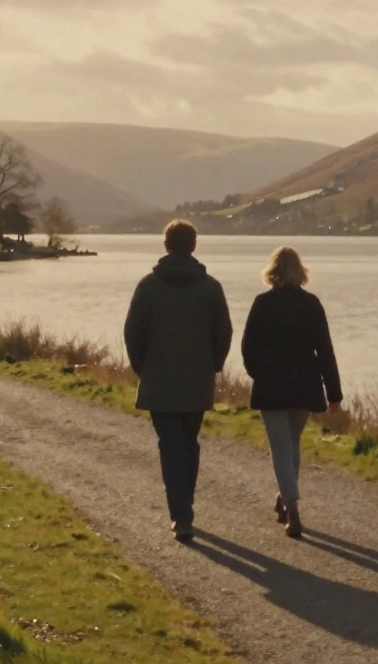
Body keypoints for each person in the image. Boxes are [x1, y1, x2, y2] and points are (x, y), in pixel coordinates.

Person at [124, 220, 233, 542]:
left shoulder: (148, 286)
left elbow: (133, 333)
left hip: (159, 380)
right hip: (196, 380)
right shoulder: (211, 287)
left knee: (169, 446)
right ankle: (185, 510)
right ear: (193, 246)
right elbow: (223, 332)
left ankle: (181, 515)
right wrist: (213, 365)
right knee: (188, 444)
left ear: (167, 245)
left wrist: (143, 368)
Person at [240, 246, 342, 538]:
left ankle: (292, 508)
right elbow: (325, 350)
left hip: (271, 387)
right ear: (301, 272)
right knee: (291, 446)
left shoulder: (262, 304)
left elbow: (248, 348)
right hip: (304, 386)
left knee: (282, 448)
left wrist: (258, 374)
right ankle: (286, 499)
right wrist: (334, 392)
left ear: (273, 272)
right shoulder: (311, 304)